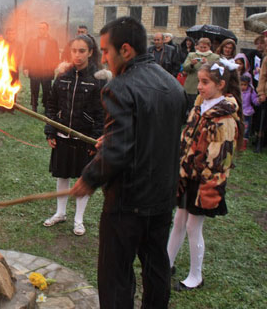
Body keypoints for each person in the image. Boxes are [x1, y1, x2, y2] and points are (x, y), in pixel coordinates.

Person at [70, 16, 187, 309]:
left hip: (127, 201)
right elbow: (153, 135)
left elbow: (120, 149)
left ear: (126, 50)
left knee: (116, 273)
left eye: (106, 51)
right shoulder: (173, 86)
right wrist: (110, 139)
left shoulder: (119, 87)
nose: (104, 58)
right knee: (156, 264)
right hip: (162, 196)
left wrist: (90, 177)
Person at [167, 59, 243, 291]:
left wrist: (207, 183)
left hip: (205, 181)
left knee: (192, 225)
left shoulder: (224, 116)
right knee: (179, 219)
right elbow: (187, 139)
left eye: (205, 82)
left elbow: (220, 158)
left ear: (221, 84)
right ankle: (166, 262)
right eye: (199, 81)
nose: (199, 86)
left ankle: (195, 276)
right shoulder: (201, 105)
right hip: (188, 175)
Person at [43, 35, 105, 236]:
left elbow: (101, 113)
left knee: (82, 177)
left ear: (90, 52)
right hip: (62, 134)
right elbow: (51, 104)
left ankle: (79, 219)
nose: (77, 55)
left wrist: (94, 139)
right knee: (62, 174)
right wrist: (51, 130)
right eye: (74, 51)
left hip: (84, 137)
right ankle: (60, 213)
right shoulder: (62, 76)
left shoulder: (97, 79)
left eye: (82, 51)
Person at [22, 22, 60, 113]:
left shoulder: (53, 41)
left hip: (47, 70)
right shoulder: (32, 40)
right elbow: (27, 54)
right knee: (34, 89)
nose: (41, 30)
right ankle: (34, 106)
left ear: (47, 29)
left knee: (47, 90)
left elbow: (56, 55)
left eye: (43, 28)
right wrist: (25, 67)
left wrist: (53, 66)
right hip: (34, 69)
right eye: (39, 28)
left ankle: (47, 107)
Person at [182, 38, 221, 113]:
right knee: (190, 107)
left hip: (207, 87)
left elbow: (216, 71)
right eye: (201, 47)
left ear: (209, 47)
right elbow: (184, 67)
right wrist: (191, 64)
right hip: (191, 86)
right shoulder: (192, 55)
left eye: (205, 47)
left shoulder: (215, 57)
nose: (202, 49)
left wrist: (207, 64)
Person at [240, 75, 260, 151]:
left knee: (246, 128)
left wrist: (258, 101)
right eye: (241, 84)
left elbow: (254, 100)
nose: (243, 87)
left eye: (245, 85)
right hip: (239, 112)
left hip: (247, 113)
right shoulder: (237, 91)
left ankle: (244, 143)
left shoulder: (251, 91)